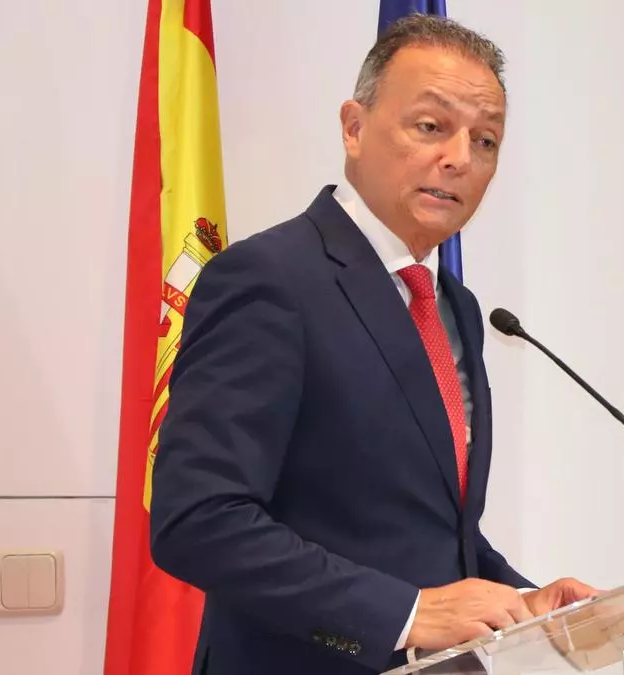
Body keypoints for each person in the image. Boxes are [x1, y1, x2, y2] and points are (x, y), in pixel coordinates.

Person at [148, 14, 596, 675]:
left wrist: (523, 599)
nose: (460, 158)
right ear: (353, 128)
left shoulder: (457, 307)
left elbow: (423, 526)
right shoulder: (270, 278)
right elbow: (197, 520)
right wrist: (406, 614)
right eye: (431, 126)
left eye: (486, 140)